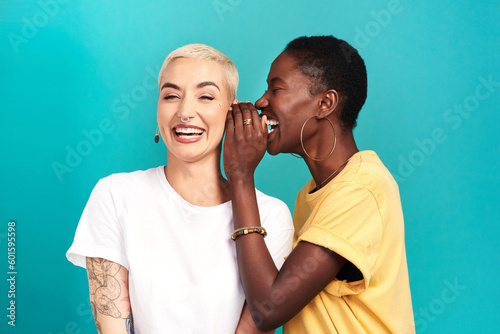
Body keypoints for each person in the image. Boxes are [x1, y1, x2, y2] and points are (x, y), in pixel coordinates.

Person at [66, 44, 294, 334]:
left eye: (206, 96)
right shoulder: (115, 195)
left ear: (232, 112)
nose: (185, 112)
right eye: (171, 96)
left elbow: (256, 324)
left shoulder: (271, 216)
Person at [223, 36, 415, 333]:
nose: (261, 101)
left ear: (325, 103)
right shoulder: (311, 194)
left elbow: (268, 308)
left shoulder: (361, 190)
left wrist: (240, 176)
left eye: (276, 89)